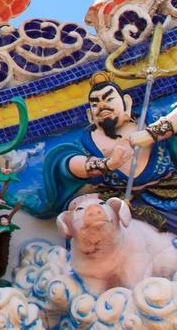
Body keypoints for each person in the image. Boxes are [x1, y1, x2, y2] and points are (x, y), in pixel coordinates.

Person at [34, 72, 177, 232]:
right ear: (90, 115)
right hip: (119, 208)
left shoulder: (150, 119)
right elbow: (67, 163)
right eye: (95, 104)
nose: (102, 106)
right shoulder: (86, 142)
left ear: (126, 103)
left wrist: (151, 134)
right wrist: (107, 164)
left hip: (169, 197)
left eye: (109, 99)